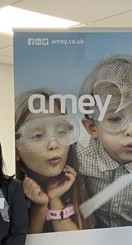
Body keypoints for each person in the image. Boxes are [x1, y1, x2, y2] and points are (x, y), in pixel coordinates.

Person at [77, 54, 132, 228]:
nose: (131, 130)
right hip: (96, 233)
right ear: (93, 128)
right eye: (115, 119)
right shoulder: (81, 154)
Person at [15, 88, 92, 232]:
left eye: (61, 132)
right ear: (16, 149)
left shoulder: (84, 181)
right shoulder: (10, 192)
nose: (54, 145)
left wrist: (55, 200)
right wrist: (40, 205)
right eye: (38, 136)